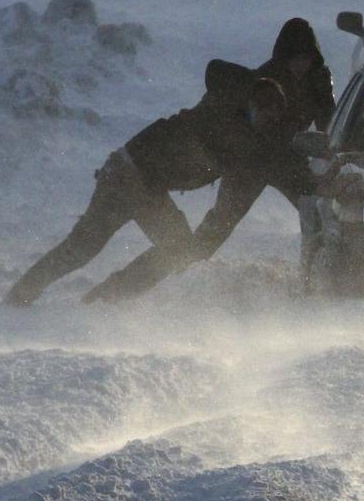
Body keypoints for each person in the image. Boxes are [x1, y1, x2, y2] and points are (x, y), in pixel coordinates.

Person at [80, 19, 337, 302]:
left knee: (317, 213)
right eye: (295, 58)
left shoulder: (319, 83)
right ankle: (131, 287)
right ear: (283, 57)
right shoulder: (266, 79)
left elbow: (330, 126)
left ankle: (323, 280)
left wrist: (325, 118)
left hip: (284, 161)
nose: (300, 65)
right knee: (211, 234)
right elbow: (227, 92)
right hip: (249, 165)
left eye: (306, 58)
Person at [2, 74, 288, 306]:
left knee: (172, 248)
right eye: (265, 113)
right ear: (252, 105)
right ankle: (53, 298)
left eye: (273, 118)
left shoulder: (234, 124)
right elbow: (246, 151)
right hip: (129, 177)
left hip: (139, 180)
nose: (267, 121)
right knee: (87, 247)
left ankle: (97, 299)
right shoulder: (224, 121)